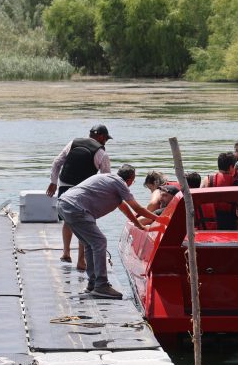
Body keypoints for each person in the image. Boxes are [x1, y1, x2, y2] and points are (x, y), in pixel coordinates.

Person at [57, 164, 157, 299]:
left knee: (89, 244)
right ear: (131, 179)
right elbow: (137, 208)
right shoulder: (119, 183)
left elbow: (124, 208)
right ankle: (101, 285)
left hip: (64, 204)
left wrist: (138, 224)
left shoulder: (108, 179)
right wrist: (161, 218)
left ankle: (93, 284)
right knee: (99, 242)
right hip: (76, 208)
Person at [46, 124, 112, 271]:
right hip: (84, 190)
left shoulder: (73, 143)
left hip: (65, 183)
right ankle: (81, 260)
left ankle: (66, 253)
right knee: (85, 223)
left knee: (68, 219)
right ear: (101, 136)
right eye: (106, 139)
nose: (105, 142)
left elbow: (57, 162)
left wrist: (53, 182)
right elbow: (106, 177)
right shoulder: (101, 153)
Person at [198, 152, 237, 230]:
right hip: (230, 221)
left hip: (211, 219)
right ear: (231, 167)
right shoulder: (235, 181)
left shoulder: (208, 179)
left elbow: (199, 198)